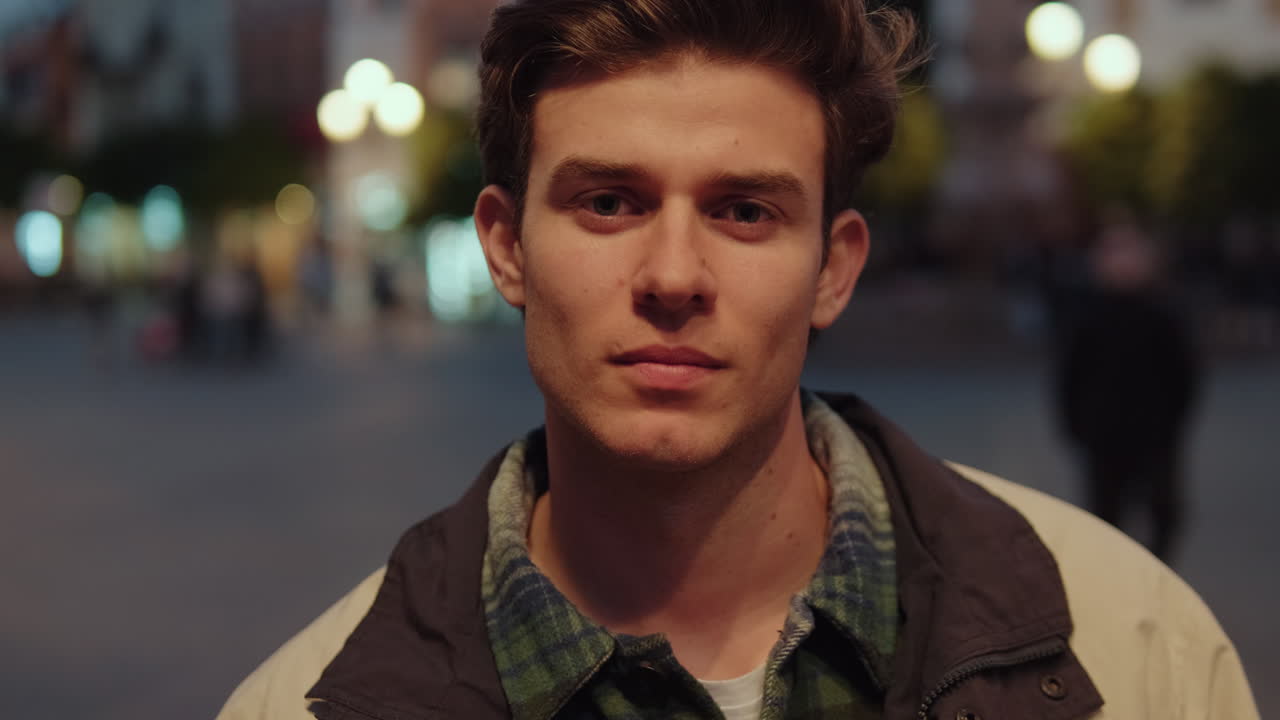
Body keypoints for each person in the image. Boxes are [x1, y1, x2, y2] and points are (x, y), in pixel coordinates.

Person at [218, 2, 1258, 719]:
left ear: (832, 269)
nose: (673, 274)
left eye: (744, 210)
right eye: (609, 203)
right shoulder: (304, 703)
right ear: (506, 246)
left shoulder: (1137, 651)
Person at [1055, 216, 1200, 563]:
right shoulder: (1087, 316)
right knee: (1106, 515)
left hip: (1155, 433)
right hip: (1104, 434)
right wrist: (1077, 426)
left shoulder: (1163, 313)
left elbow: (1184, 376)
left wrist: (1170, 424)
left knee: (1164, 510)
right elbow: (1069, 378)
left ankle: (1157, 570)